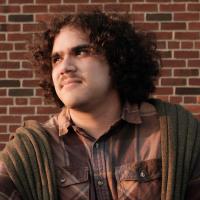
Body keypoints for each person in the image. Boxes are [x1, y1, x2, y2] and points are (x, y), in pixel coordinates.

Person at [0, 11, 199, 200]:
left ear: (116, 59)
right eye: (56, 59)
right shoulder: (29, 151)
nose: (64, 67)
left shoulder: (174, 133)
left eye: (80, 52)